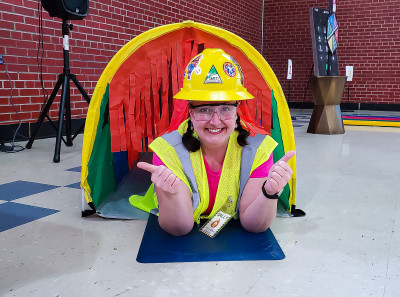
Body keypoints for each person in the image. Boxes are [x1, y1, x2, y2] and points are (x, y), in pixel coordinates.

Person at [137, 48, 295, 236]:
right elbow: (179, 228)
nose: (215, 120)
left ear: (238, 110)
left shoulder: (258, 149)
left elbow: (254, 225)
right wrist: (172, 195)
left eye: (225, 109)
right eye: (204, 109)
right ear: (190, 112)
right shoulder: (168, 150)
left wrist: (269, 193)